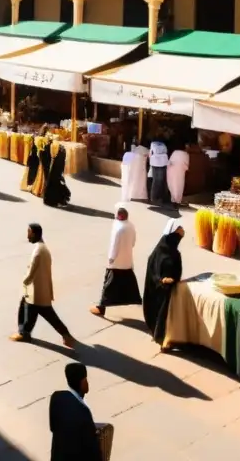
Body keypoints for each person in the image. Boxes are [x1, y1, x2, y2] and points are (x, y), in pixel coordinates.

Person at [11, 223, 76, 346]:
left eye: (29, 233)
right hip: (40, 290)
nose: (27, 237)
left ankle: (25, 334)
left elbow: (31, 274)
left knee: (39, 312)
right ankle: (26, 333)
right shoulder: (43, 248)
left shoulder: (38, 251)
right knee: (39, 313)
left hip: (36, 292)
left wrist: (24, 281)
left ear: (34, 233)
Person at [91, 206, 142, 316]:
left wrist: (111, 258)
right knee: (129, 281)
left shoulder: (118, 228)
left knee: (108, 284)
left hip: (116, 262)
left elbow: (114, 245)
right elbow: (133, 242)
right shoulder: (131, 225)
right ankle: (135, 299)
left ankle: (101, 307)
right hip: (127, 259)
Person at [143, 218, 184, 347]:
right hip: (159, 288)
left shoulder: (174, 251)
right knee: (161, 313)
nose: (182, 232)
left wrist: (173, 279)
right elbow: (152, 266)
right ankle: (162, 341)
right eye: (179, 230)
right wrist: (161, 280)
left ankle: (162, 336)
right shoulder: (162, 250)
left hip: (168, 288)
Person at [49, 363, 102, 461]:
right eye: (86, 379)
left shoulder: (57, 398)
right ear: (82, 382)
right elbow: (93, 451)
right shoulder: (83, 413)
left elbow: (53, 428)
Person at [147, 140, 169, 204]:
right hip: (162, 163)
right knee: (161, 181)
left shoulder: (152, 145)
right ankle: (158, 198)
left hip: (154, 163)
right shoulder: (164, 154)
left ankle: (153, 198)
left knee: (155, 181)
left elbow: (150, 156)